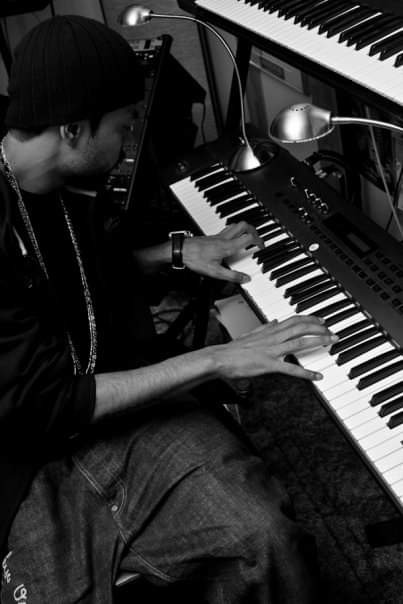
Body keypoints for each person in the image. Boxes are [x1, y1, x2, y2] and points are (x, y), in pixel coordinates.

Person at [0, 15, 336, 604]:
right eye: (123, 125)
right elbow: (46, 401)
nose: (129, 141)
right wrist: (218, 358)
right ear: (73, 129)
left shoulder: (56, 177)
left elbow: (75, 273)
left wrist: (175, 251)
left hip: (113, 410)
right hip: (25, 459)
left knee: (267, 539)